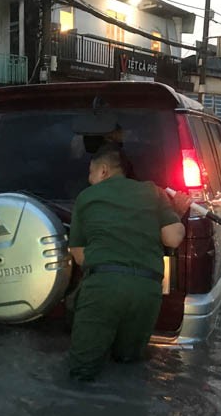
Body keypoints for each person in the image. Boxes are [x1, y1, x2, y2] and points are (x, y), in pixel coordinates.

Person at [67, 141, 191, 380]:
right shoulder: (154, 192)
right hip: (147, 291)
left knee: (81, 372)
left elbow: (79, 253)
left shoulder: (86, 197)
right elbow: (173, 238)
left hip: (102, 288)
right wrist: (176, 211)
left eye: (91, 173)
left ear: (103, 170)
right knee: (128, 364)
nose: (89, 179)